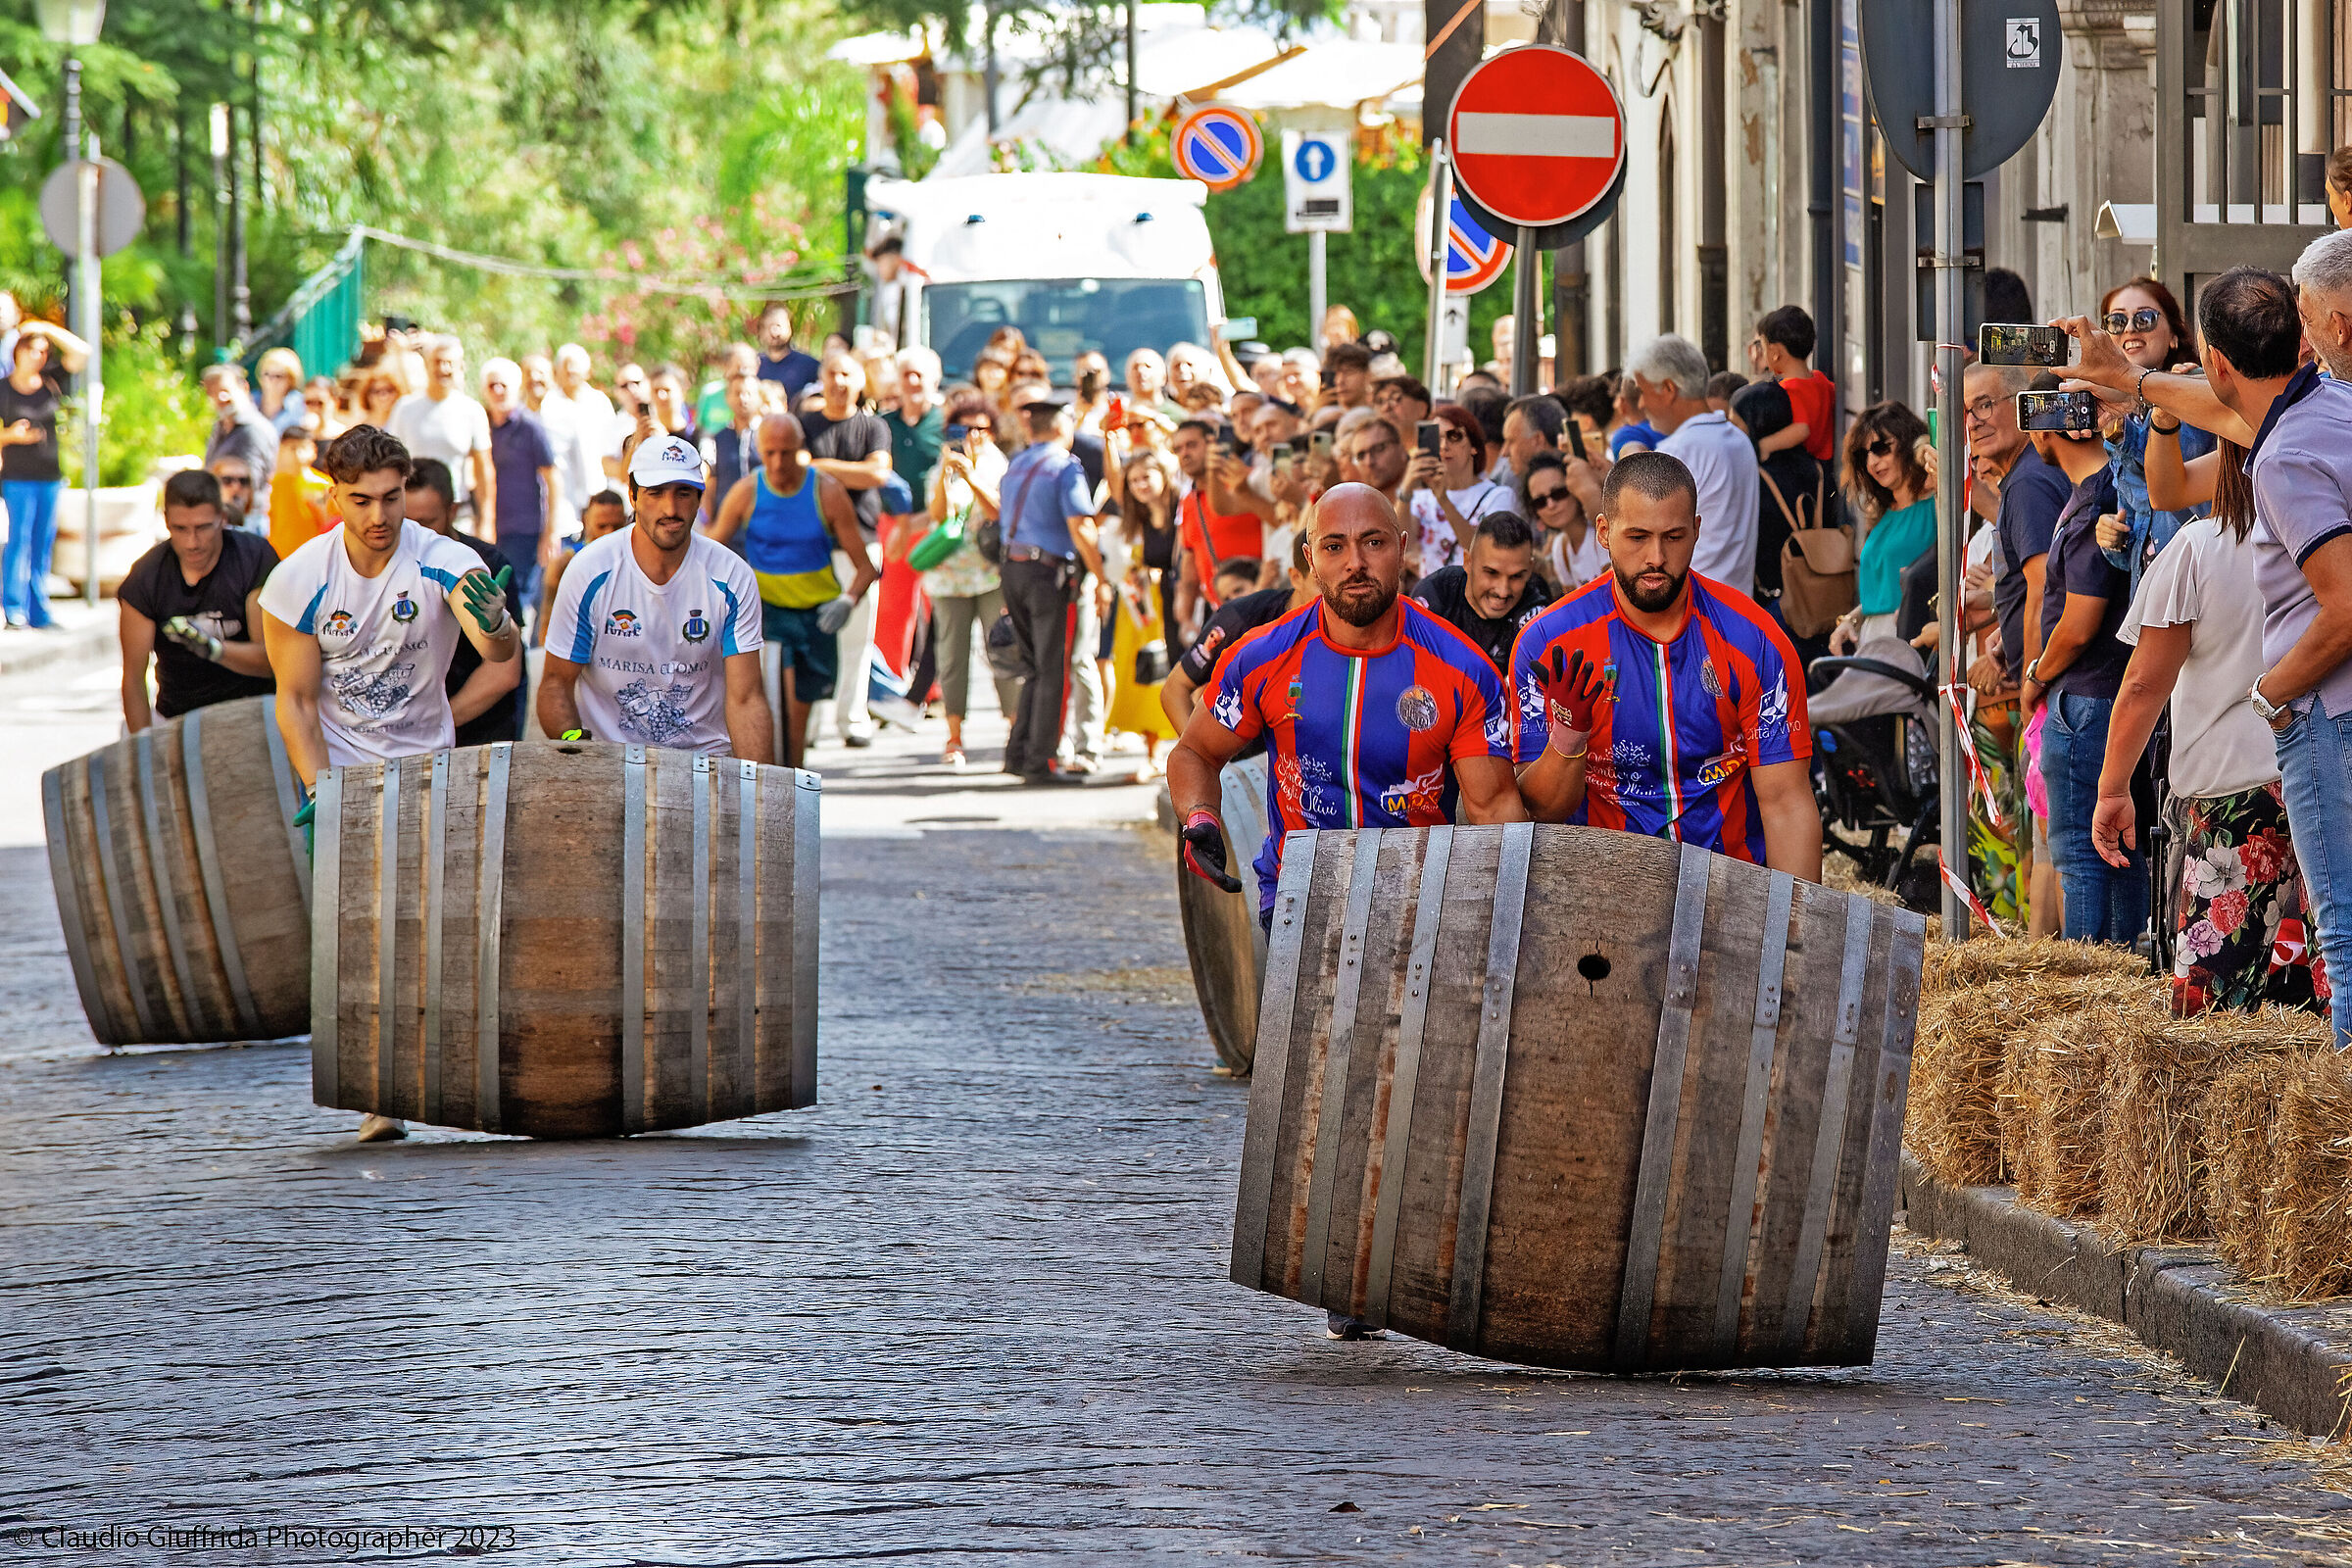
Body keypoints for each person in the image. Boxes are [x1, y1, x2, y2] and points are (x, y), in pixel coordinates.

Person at [260, 425, 519, 1142]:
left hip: (429, 766)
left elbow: (495, 644)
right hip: (343, 770)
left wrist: (497, 626)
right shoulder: (298, 581)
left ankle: (461, 1079)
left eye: (393, 498)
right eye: (362, 501)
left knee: (436, 933)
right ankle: (383, 1096)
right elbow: (298, 703)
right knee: (362, 940)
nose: (380, 517)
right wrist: (322, 792)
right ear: (333, 498)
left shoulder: (443, 560)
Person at [1166, 479, 1525, 927]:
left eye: (1373, 543)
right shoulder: (1261, 655)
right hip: (1296, 896)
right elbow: (1196, 752)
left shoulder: (1463, 670)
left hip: (1419, 904)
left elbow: (1495, 812)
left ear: (1402, 548)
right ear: (1310, 559)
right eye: (1334, 547)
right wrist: (1200, 817)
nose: (1355, 563)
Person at [2091, 435, 2320, 1015]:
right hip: (2319, 781)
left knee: (2218, 1020)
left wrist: (2114, 787)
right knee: (2309, 1007)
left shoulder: (2199, 547)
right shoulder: (2324, 542)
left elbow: (2144, 685)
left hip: (2228, 799)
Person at [1512, 452, 1820, 876]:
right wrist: (1569, 737)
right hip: (1597, 890)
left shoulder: (1756, 640)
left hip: (1730, 887)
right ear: (1604, 531)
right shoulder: (1548, 643)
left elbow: (1787, 803)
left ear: (1696, 531)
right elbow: (1539, 810)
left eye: (1673, 537)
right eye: (1637, 537)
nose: (1655, 557)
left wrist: (1796, 937)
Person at [540, 432, 771, 762]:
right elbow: (555, 685)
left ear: (700, 497)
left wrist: (758, 796)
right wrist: (577, 745)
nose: (671, 509)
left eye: (683, 493)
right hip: (610, 762)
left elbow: (747, 699)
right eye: (655, 493)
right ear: (632, 496)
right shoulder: (588, 571)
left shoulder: (732, 576)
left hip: (705, 760)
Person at [2017, 373, 2139, 948]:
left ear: (2051, 425)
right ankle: (2120, 979)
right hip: (2107, 694)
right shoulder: (2100, 488)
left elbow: (2081, 619)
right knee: (2116, 846)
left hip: (2086, 695)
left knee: (2081, 852)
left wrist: (2036, 676)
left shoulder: (2099, 493)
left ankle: (2093, 981)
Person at [707, 415, 877, 767]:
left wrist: (848, 601)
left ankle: (792, 789)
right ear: (758, 452)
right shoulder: (747, 492)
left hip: (816, 615)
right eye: (769, 453)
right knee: (765, 710)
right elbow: (707, 551)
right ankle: (767, 790)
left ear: (801, 449)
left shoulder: (826, 491)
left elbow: (866, 568)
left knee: (797, 721)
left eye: (787, 453)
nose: (778, 463)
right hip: (766, 612)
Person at [118, 468, 278, 731]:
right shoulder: (145, 578)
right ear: (166, 521)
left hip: (253, 709)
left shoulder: (254, 559)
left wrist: (213, 650)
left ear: (223, 518)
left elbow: (272, 662)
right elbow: (134, 679)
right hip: (177, 715)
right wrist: (144, 750)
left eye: (203, 528)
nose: (192, 543)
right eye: (180, 529)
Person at [998, 395, 1105, 784]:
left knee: (1033, 666)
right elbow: (1081, 526)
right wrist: (1102, 576)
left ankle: (1018, 753)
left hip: (1012, 568)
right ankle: (1040, 760)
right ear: (1062, 427)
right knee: (1052, 669)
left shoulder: (1017, 464)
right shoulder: (1065, 466)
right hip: (1047, 574)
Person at [2090, 278, 2216, 595]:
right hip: (2150, 598)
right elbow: (2141, 530)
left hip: (2198, 589)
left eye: (2144, 319)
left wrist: (2119, 432)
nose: (2130, 330)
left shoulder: (2195, 388)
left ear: (2173, 336)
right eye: (2116, 322)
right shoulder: (2125, 417)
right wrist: (2113, 537)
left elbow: (2165, 484)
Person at [404, 459, 525, 746]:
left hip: (480, 731)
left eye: (428, 523)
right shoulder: (391, 562)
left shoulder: (488, 564)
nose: (419, 534)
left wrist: (434, 730)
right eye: (408, 523)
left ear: (453, 511)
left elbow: (504, 672)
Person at [1635, 333, 1761, 596]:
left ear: (1668, 389)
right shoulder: (1738, 439)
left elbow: (1639, 531)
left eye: (1643, 391)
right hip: (1736, 607)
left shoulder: (1679, 450)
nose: (1641, 404)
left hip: (1692, 610)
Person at [923, 401, 1012, 768]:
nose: (972, 436)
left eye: (980, 428)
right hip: (949, 576)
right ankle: (954, 736)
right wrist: (948, 470)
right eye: (963, 429)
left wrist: (972, 475)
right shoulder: (942, 463)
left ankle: (1014, 729)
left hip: (990, 575)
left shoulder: (999, 464)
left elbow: (999, 512)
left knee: (1004, 651)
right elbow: (937, 514)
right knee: (952, 657)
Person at [1158, 530, 1317, 732]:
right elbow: (1174, 689)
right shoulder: (1240, 617)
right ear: (1296, 578)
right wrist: (1198, 757)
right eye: (1321, 584)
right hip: (1245, 756)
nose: (1333, 596)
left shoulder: (1352, 618)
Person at [1729, 379, 1834, 655]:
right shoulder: (1819, 470)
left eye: (1737, 424)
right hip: (1825, 598)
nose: (1733, 432)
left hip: (1778, 605)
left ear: (1757, 424)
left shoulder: (1755, 478)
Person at [1828, 402, 1936, 653]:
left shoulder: (1936, 506)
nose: (1872, 462)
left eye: (1880, 448)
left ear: (1907, 441)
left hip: (1915, 636)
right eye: (1863, 454)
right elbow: (1882, 591)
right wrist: (1851, 621)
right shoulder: (1881, 514)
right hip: (1872, 638)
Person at [0, 320, 88, 628]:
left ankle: (39, 609)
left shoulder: (51, 380)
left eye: (43, 351)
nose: (39, 356)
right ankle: (13, 607)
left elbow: (82, 353)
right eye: (33, 349)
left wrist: (44, 328)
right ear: (18, 352)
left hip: (49, 475)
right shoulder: (4, 388)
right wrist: (11, 436)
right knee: (18, 541)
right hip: (16, 477)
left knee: (43, 541)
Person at [1409, 510, 1554, 674]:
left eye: (1516, 576)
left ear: (1529, 570)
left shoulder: (1535, 613)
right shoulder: (1435, 594)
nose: (1503, 590)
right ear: (1468, 562)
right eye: (1491, 573)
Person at [386, 336, 493, 524]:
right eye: (437, 362)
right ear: (427, 365)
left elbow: (484, 470)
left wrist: (486, 521)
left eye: (449, 363)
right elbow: (390, 462)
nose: (443, 369)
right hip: (413, 515)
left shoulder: (472, 410)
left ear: (460, 366)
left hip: (458, 513)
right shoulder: (405, 408)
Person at [1170, 418, 1264, 628]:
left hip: (1266, 601)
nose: (1184, 453)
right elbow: (1189, 564)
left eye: (1191, 445)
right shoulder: (1188, 502)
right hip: (1227, 612)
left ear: (1212, 444)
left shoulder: (1245, 482)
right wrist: (1185, 619)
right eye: (1178, 449)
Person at [479, 358, 558, 610]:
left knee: (514, 601)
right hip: (486, 528)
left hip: (523, 529)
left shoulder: (530, 427)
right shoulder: (480, 426)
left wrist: (551, 531)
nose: (498, 391)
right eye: (492, 385)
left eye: (504, 384)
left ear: (515, 387)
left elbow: (553, 480)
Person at [1400, 404, 1508, 574]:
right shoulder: (1421, 499)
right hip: (1428, 598)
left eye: (1454, 436)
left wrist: (1443, 499)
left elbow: (1485, 553)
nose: (1444, 446)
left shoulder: (1498, 496)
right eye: (1437, 438)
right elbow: (1401, 545)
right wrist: (1405, 489)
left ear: (1474, 446)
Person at [537, 490, 629, 647]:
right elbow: (549, 622)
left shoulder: (636, 562)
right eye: (602, 526)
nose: (609, 532)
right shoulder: (565, 564)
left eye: (616, 526)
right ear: (586, 521)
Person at [1751, 306, 1837, 464]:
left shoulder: (1787, 390)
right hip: (1827, 464)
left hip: (1803, 468)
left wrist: (1764, 446)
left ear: (1775, 352)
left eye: (1763, 348)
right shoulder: (1820, 379)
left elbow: (1801, 429)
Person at [1521, 450, 1606, 592]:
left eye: (1558, 493)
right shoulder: (1559, 548)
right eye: (1540, 501)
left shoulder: (1601, 535)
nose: (1551, 505)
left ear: (1575, 489)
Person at [201, 364, 280, 496]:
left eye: (225, 390)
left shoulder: (253, 430)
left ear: (244, 387)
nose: (220, 398)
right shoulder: (221, 426)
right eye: (212, 392)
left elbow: (249, 484)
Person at [266, 424, 334, 564]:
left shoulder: (323, 486)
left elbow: (330, 524)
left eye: (301, 448)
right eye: (291, 448)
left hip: (311, 559)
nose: (296, 454)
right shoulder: (276, 483)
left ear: (313, 450)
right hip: (279, 559)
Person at [756, 303, 820, 405]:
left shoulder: (809, 365)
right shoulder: (755, 365)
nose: (774, 332)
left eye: (778, 326)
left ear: (790, 328)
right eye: (769, 326)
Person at [256, 347, 307, 434]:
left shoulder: (300, 404)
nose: (271, 380)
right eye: (267, 374)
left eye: (278, 376)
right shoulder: (251, 401)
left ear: (291, 380)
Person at [1607, 373, 1659, 458]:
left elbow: (1634, 468)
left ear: (1622, 402)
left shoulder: (1626, 435)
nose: (1614, 405)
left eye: (1615, 399)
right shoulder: (1674, 431)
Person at [208, 455, 258, 532]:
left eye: (243, 481)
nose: (236, 487)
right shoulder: (203, 527)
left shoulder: (262, 526)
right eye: (227, 480)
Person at [1325, 342, 1374, 410]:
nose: (1340, 381)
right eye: (1336, 374)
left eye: (1348, 372)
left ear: (1367, 375)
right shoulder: (1326, 416)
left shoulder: (1380, 417)